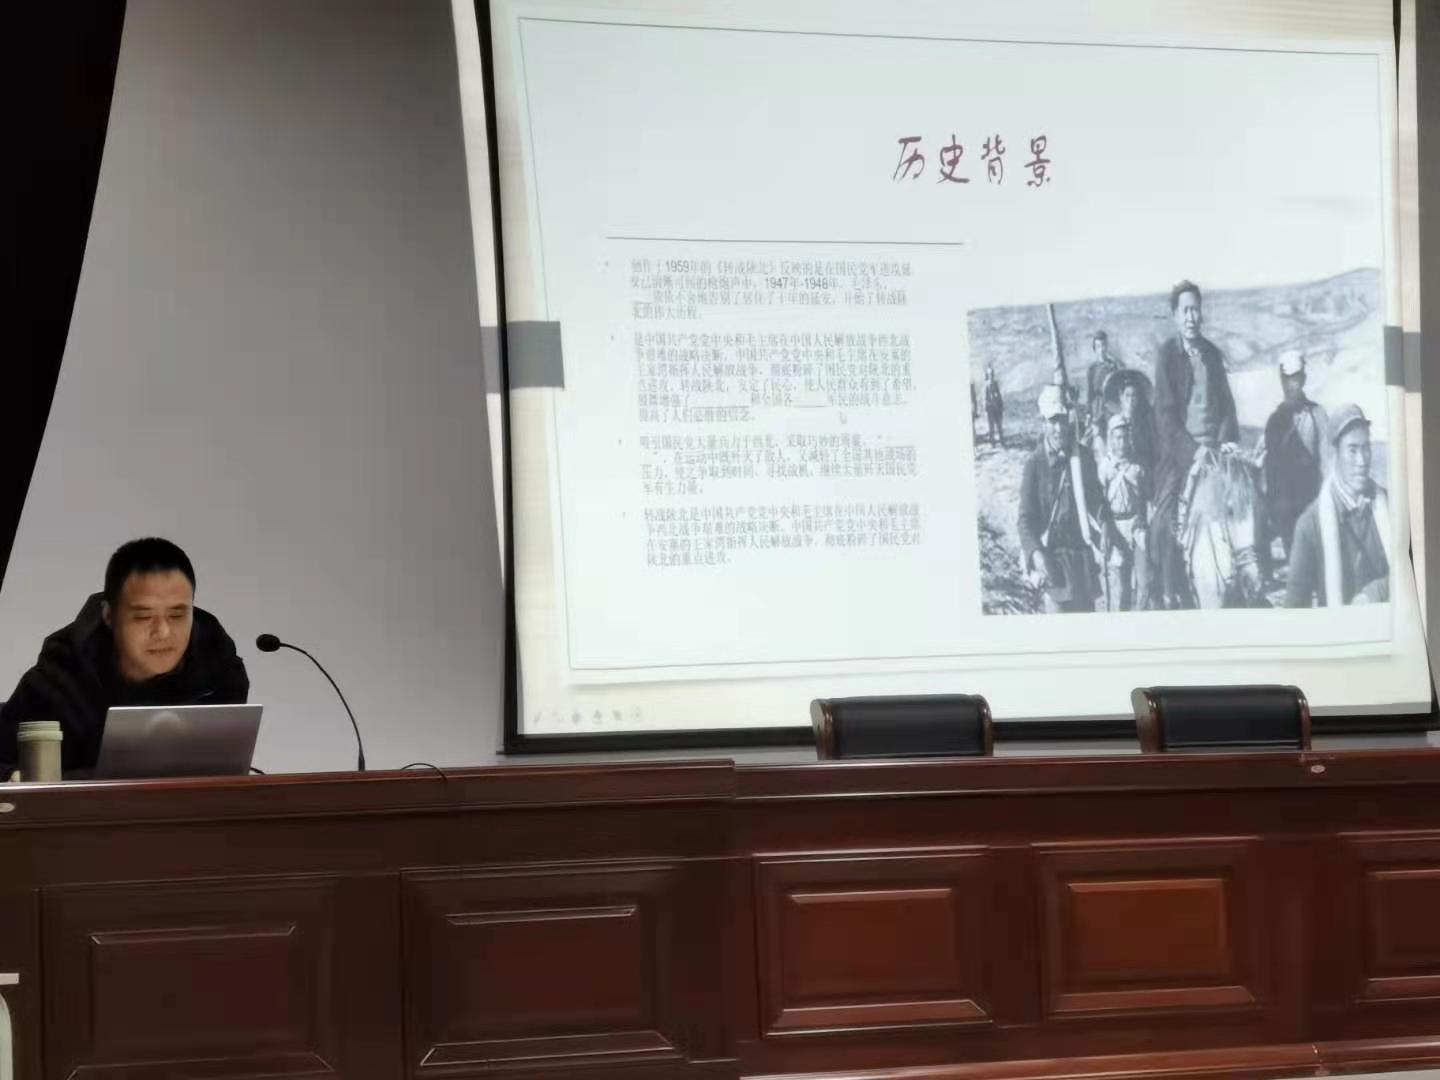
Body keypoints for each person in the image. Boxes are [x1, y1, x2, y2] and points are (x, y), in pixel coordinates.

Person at [0, 538, 249, 772]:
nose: (163, 632)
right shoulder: (57, 679)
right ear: (109, 616)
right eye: (143, 617)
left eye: (177, 615)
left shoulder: (219, 668)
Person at [1150, 280, 1240, 609]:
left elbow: (1227, 407)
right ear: (1175, 316)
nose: (1191, 317)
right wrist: (1192, 451)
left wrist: (1226, 441)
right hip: (1180, 455)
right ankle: (1167, 593)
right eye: (1185, 311)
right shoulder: (1167, 357)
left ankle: (1252, 580)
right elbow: (1165, 418)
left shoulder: (1212, 356)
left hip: (1215, 451)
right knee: (1163, 524)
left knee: (1249, 504)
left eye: (1195, 310)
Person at [1018, 385, 1121, 613]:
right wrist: (1036, 554)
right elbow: (1025, 520)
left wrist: (1105, 522)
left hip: (1081, 562)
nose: (1059, 429)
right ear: (1043, 423)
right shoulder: (1035, 464)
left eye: (1063, 420)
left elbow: (1096, 500)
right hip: (1052, 562)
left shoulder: (1082, 457)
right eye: (1053, 421)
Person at [1286, 405, 1390, 607]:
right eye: (1352, 450)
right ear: (1334, 454)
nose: (1362, 460)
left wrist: (1375, 593)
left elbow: (1417, 569)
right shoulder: (1310, 525)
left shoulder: (1390, 506)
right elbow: (1294, 609)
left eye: (1366, 448)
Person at [1261, 351, 1329, 559]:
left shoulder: (1317, 415)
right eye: (1287, 379)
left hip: (1313, 500)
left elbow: (1328, 461)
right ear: (1281, 380)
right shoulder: (1275, 420)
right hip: (1286, 506)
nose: (1291, 384)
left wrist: (1326, 501)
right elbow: (1271, 470)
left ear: (1304, 379)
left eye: (1296, 378)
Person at [1098, 416, 1150, 611]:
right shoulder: (1105, 467)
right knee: (1122, 586)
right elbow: (1100, 502)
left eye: (1124, 437)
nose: (1121, 443)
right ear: (1111, 439)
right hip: (1115, 527)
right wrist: (1105, 530)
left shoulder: (1138, 466)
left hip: (1137, 526)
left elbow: (1147, 497)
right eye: (1117, 438)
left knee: (1144, 582)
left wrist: (1143, 521)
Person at [1085, 330, 1124, 426]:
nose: (1101, 349)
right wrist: (1088, 412)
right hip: (1097, 407)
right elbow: (1090, 392)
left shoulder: (1114, 366)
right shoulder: (1092, 368)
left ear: (1107, 347)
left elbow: (1121, 386)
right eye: (1098, 346)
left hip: (1111, 406)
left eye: (1103, 345)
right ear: (1095, 349)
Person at [984, 367, 1005, 446]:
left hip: (997, 408)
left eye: (992, 374)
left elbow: (999, 395)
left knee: (999, 426)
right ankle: (992, 442)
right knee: (991, 427)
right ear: (987, 375)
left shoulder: (996, 384)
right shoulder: (986, 385)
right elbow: (986, 398)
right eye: (989, 374)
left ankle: (1002, 441)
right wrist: (987, 406)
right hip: (991, 409)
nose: (991, 376)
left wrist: (1001, 406)